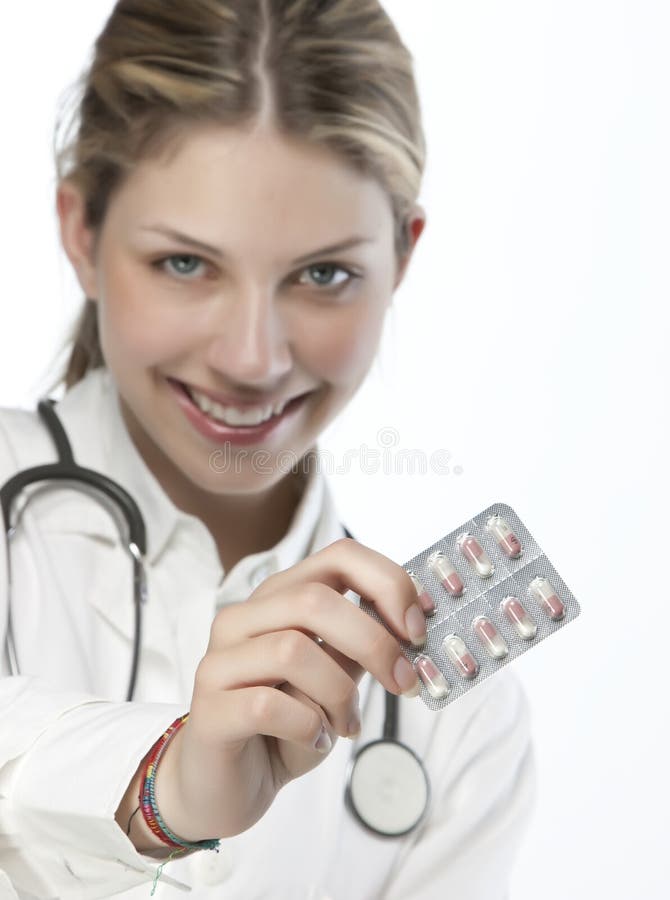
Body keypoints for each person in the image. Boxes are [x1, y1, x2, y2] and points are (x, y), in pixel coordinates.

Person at [0, 1, 537, 897]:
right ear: (82, 234)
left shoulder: (455, 723)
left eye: (323, 275)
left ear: (400, 261)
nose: (252, 358)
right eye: (185, 264)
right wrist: (164, 788)